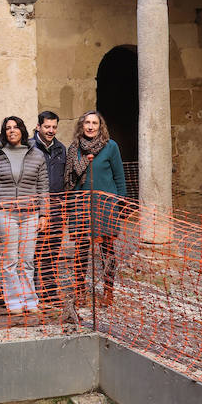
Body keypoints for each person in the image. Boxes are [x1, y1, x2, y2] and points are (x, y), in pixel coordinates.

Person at [0, 115, 48, 321]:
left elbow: (43, 186)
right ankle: (14, 301)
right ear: (4, 131)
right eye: (8, 128)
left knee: (27, 260)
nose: (12, 131)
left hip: (30, 214)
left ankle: (30, 300)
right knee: (10, 260)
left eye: (15, 127)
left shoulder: (36, 154)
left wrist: (44, 213)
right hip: (5, 212)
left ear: (22, 130)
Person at [64, 110, 127, 308]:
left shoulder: (111, 147)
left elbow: (119, 177)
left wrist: (120, 203)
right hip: (80, 204)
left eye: (95, 123)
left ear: (101, 126)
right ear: (81, 125)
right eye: (87, 123)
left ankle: (109, 290)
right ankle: (80, 290)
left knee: (107, 251)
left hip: (105, 206)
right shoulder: (74, 148)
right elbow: (69, 179)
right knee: (81, 251)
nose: (91, 127)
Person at [30, 111, 68, 303]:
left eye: (54, 127)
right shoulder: (29, 147)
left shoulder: (61, 149)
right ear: (38, 127)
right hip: (34, 208)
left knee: (52, 250)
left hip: (56, 207)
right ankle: (31, 291)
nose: (51, 130)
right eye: (47, 127)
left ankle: (49, 291)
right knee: (33, 251)